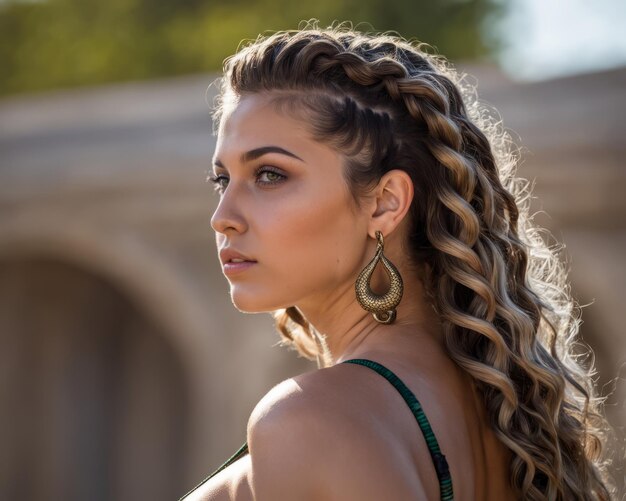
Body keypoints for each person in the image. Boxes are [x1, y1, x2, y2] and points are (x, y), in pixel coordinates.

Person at [179, 20, 614, 501]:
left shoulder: (311, 419)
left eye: (269, 175)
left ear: (385, 202)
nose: (223, 218)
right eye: (222, 180)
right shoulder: (505, 409)